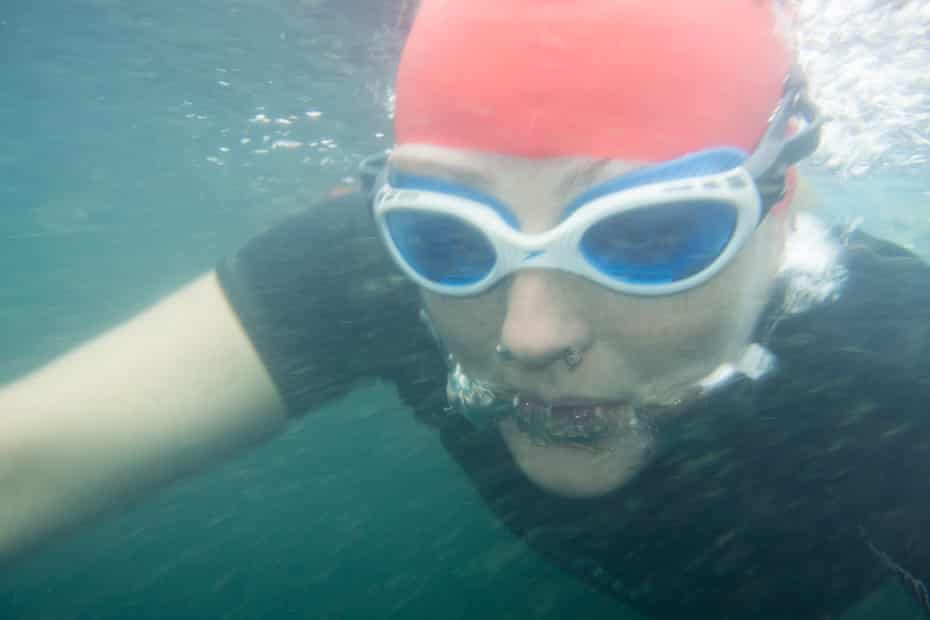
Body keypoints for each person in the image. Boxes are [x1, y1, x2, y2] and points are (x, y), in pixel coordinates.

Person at [2, 1, 929, 618]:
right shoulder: (374, 265)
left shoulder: (898, 370)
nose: (529, 336)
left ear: (783, 210)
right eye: (451, 238)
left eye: (649, 237)